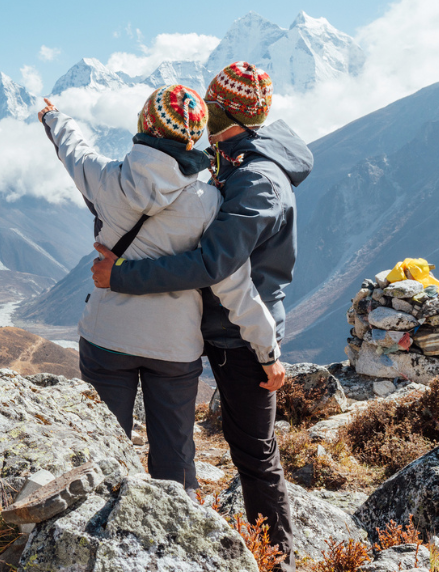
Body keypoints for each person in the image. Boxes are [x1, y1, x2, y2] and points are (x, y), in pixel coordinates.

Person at [91, 62, 313, 572]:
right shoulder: (227, 157)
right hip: (202, 326)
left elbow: (214, 262)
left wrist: (120, 275)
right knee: (186, 442)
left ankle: (278, 561)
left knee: (254, 453)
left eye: (210, 105)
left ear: (229, 113)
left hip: (243, 336)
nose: (200, 111)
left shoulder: (260, 182)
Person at [39, 84, 279, 496]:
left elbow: (72, 150)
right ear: (195, 138)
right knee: (175, 459)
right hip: (174, 347)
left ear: (144, 124)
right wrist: (267, 350)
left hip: (106, 337)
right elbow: (235, 285)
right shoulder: (207, 202)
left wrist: (52, 117)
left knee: (104, 449)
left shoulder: (105, 178)